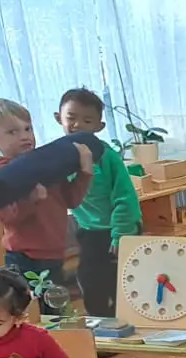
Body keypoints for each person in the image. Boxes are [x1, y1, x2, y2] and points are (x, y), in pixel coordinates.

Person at [0, 98, 87, 305]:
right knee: (30, 312)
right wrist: (31, 200)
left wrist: (84, 173)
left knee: (55, 311)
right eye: (13, 132)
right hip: (24, 257)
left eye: (27, 129)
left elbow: (71, 199)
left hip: (53, 253)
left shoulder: (46, 164)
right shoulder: (2, 173)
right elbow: (6, 217)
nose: (25, 136)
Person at [55, 89, 142, 318]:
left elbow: (125, 198)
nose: (77, 125)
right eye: (71, 117)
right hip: (89, 231)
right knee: (91, 281)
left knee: (124, 281)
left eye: (87, 120)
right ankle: (105, 326)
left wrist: (120, 234)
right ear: (59, 119)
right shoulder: (60, 156)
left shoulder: (106, 156)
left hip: (119, 229)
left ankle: (125, 323)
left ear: (99, 127)